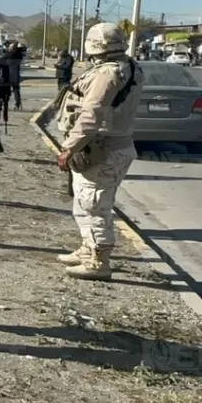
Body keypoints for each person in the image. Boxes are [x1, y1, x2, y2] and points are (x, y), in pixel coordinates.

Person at [56, 23, 142, 280]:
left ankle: (98, 262)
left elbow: (91, 115)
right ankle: (87, 249)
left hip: (101, 150)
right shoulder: (130, 67)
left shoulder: (106, 74)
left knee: (94, 205)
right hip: (110, 147)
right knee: (84, 202)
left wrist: (69, 147)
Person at [6, 42, 25, 109]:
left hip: (8, 74)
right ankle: (17, 104)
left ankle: (6, 104)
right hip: (16, 74)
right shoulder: (19, 55)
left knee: (6, 90)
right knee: (16, 90)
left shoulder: (8, 54)